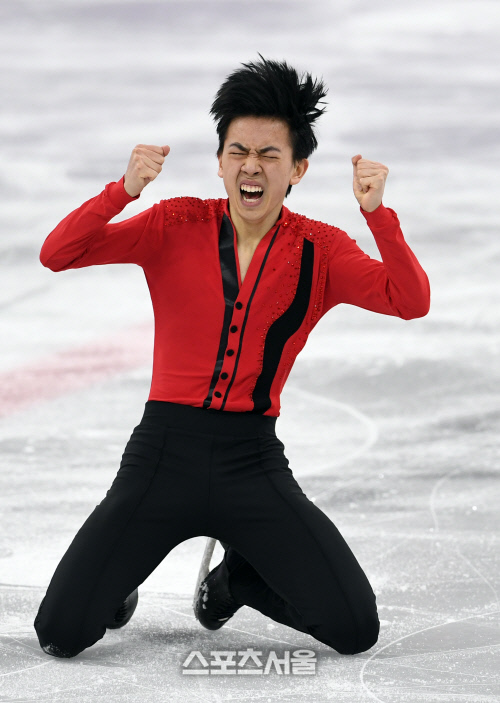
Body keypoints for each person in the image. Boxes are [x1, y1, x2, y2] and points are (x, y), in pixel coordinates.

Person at [34, 56, 430, 659]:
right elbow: (58, 253)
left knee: (354, 629)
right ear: (220, 161)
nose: (251, 166)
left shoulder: (321, 250)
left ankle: (235, 581)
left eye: (270, 154)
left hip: (252, 463)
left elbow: (409, 300)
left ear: (297, 169)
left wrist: (378, 216)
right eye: (238, 151)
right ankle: (115, 584)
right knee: (61, 635)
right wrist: (124, 190)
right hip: (162, 456)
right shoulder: (174, 222)